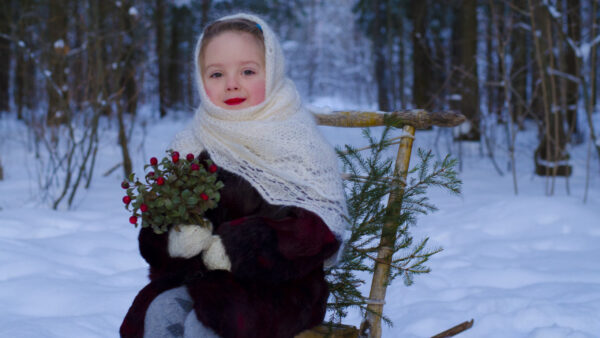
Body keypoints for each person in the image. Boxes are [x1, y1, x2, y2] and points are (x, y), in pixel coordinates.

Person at [120, 13, 348, 338]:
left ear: (271, 71)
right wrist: (173, 238)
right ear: (200, 79)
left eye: (247, 71)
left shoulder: (300, 143)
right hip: (201, 283)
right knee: (161, 311)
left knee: (208, 325)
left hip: (280, 292)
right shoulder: (190, 144)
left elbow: (318, 232)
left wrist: (238, 246)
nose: (231, 83)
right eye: (216, 73)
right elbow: (154, 233)